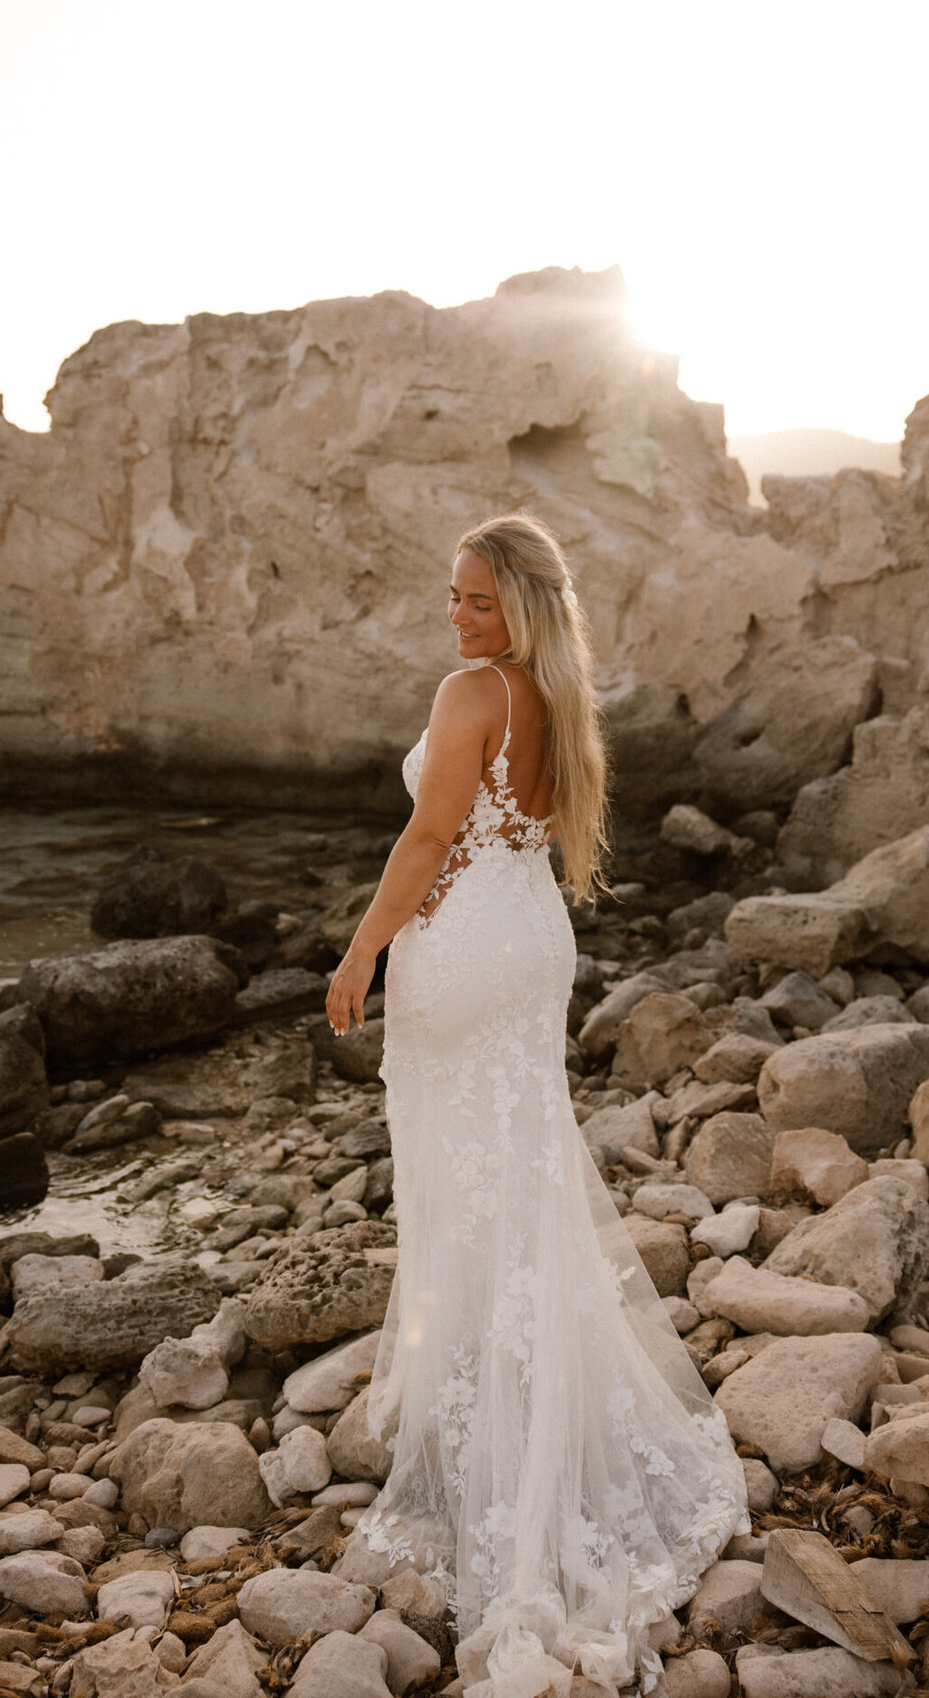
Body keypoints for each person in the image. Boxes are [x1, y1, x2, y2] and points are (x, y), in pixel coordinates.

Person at [325, 512, 748, 1697]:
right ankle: (525, 1397)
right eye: (452, 597)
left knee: (462, 1168)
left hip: (462, 948)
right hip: (532, 941)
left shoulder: (472, 694)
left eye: (475, 600)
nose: (456, 618)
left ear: (520, 602)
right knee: (519, 1169)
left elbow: (428, 833)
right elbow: (519, 834)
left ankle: (490, 1429)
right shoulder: (560, 696)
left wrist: (363, 950)